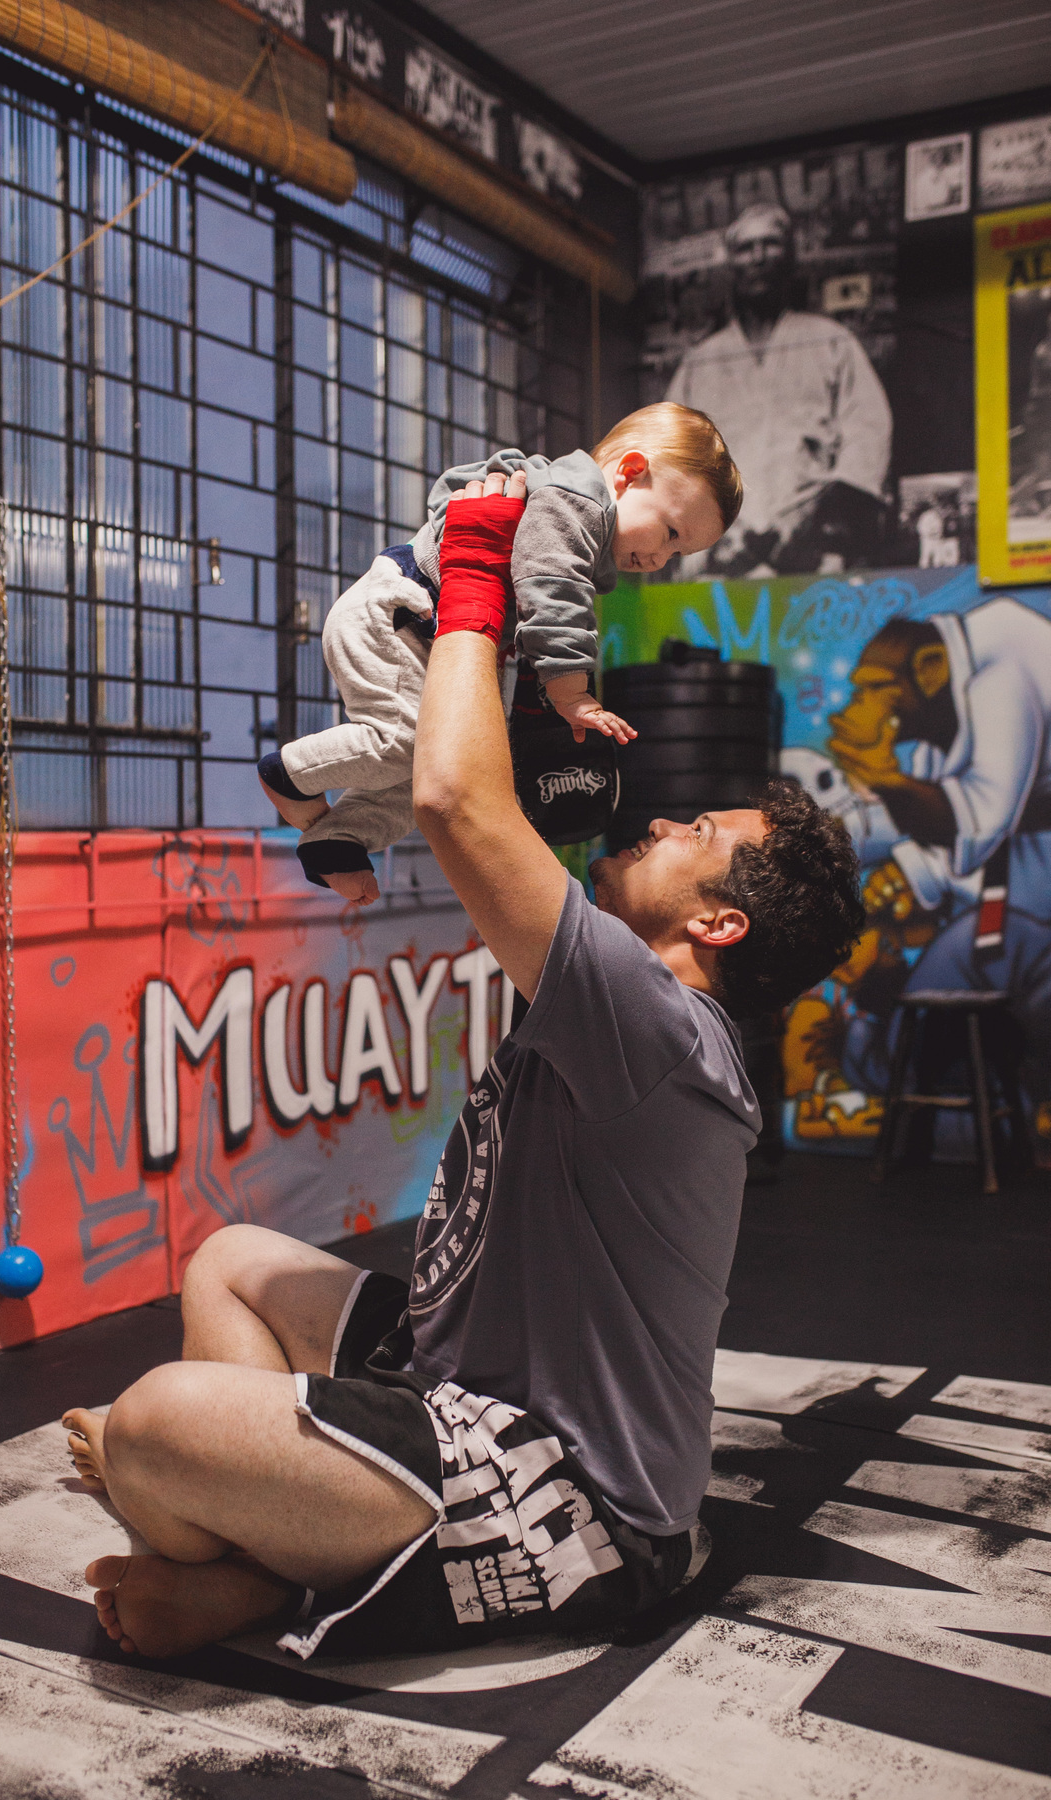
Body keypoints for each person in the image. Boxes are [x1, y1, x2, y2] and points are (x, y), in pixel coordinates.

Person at [60, 470, 865, 1664]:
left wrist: (478, 571)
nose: (659, 825)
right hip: (460, 1386)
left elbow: (454, 794)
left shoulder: (658, 1025)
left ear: (722, 925)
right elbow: (472, 804)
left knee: (154, 1426)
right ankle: (247, 1561)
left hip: (573, 1500)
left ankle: (246, 1570)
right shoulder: (627, 997)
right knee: (229, 1262)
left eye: (696, 839)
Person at [257, 404, 741, 903]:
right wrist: (572, 693)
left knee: (430, 763)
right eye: (671, 533)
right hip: (398, 614)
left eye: (677, 555)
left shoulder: (578, 525)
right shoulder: (574, 502)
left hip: (424, 635)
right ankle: (290, 774)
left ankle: (339, 843)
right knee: (402, 740)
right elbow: (552, 587)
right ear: (629, 473)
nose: (661, 559)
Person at [827, 602, 1051, 1144]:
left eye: (876, 690)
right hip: (1006, 905)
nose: (862, 707)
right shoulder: (938, 713)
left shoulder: (1000, 675)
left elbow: (976, 822)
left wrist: (883, 778)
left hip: (1026, 908)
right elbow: (928, 827)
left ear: (928, 668)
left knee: (931, 1008)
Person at [665, 203, 892, 578]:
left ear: (791, 256)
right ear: (731, 265)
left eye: (771, 244)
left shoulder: (831, 342)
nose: (758, 257)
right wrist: (713, 527)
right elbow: (670, 459)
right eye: (745, 248)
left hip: (810, 548)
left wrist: (816, 519)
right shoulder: (701, 361)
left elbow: (867, 435)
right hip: (721, 553)